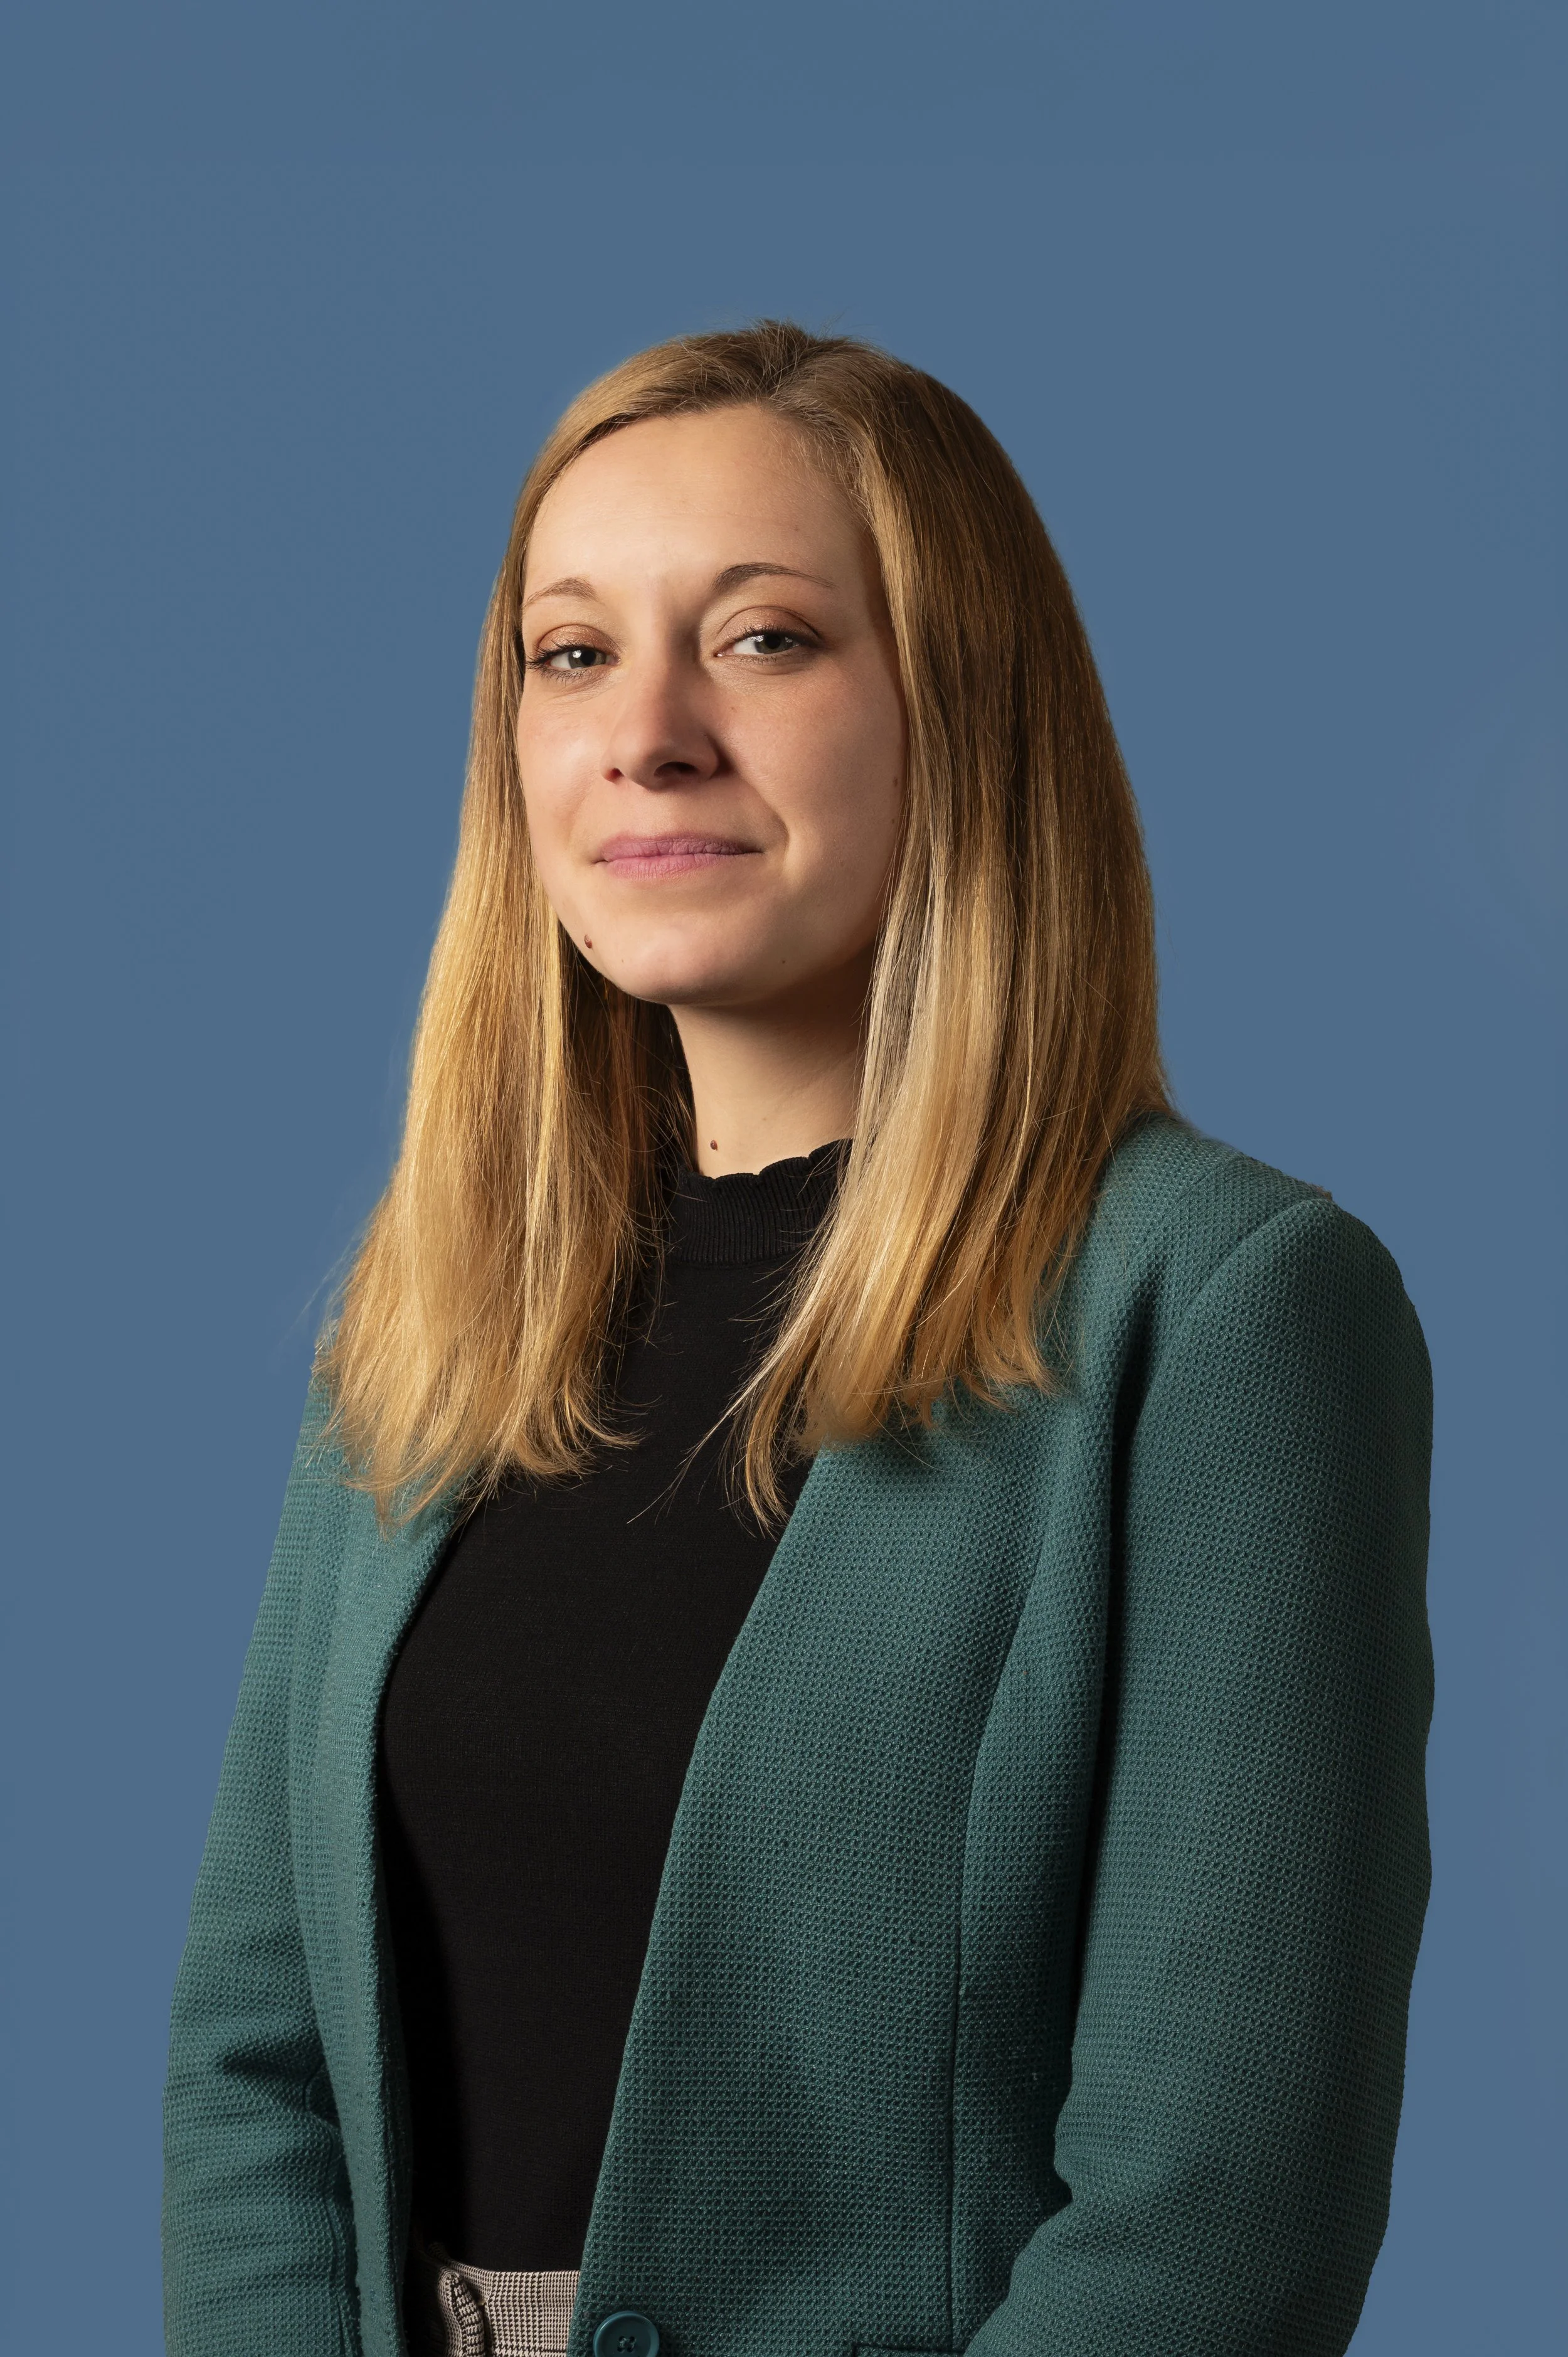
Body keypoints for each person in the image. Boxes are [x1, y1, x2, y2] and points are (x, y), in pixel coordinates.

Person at [162, 322, 1433, 2357]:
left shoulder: (1217, 1312)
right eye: (570, 653)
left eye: (759, 638)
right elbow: (261, 2056)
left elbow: (1219, 2208)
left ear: (961, 707)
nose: (646, 732)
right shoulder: (429, 1311)